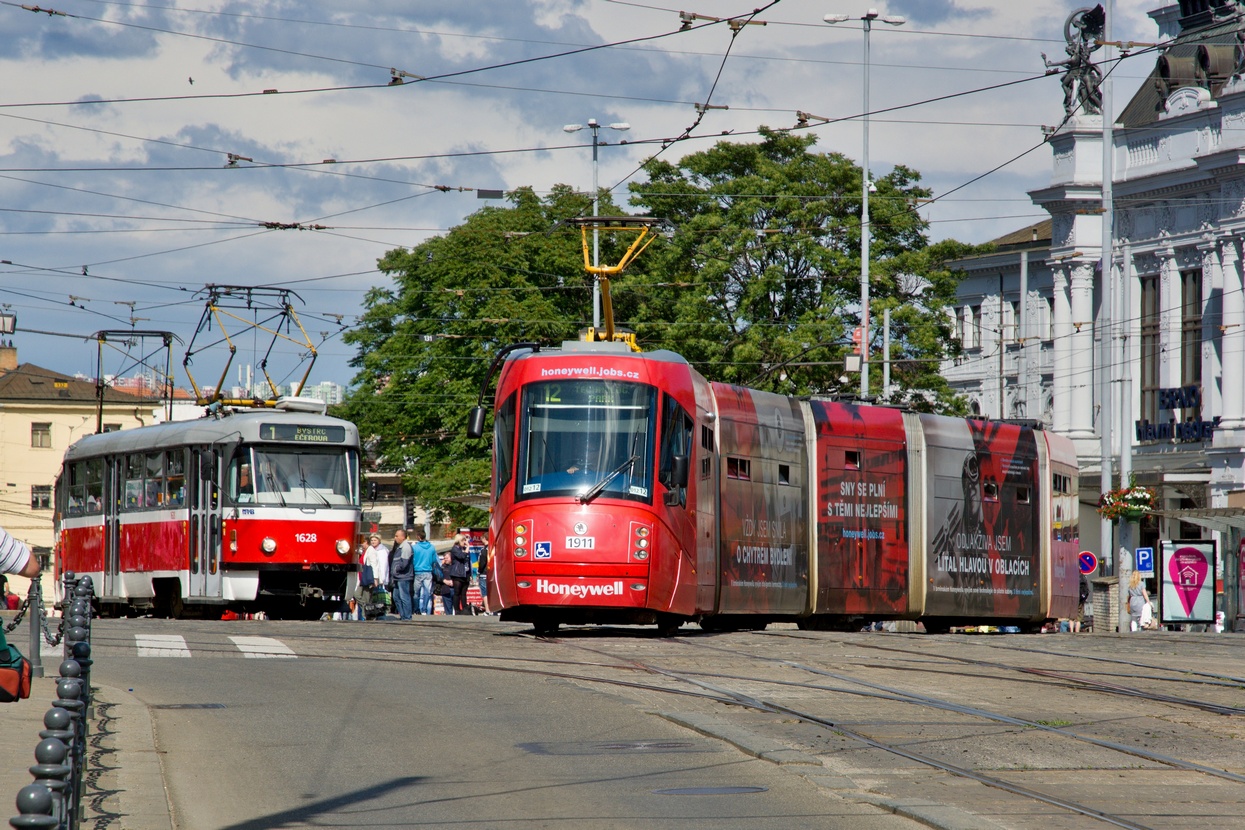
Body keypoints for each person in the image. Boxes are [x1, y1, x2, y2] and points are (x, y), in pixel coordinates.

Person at [410, 530, 439, 616]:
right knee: (427, 592)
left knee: (416, 593)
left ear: (418, 537)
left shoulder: (415, 547)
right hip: (428, 572)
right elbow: (434, 560)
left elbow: (412, 560)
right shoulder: (431, 547)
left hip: (417, 571)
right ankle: (424, 609)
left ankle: (416, 609)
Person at [360, 533, 390, 618]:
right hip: (372, 577)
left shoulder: (382, 551)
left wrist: (381, 580)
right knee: (373, 598)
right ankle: (373, 614)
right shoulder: (371, 550)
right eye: (372, 540)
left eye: (375, 540)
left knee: (378, 599)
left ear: (379, 541)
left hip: (378, 578)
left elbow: (383, 566)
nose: (373, 542)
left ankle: (380, 615)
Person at [389, 529, 415, 620]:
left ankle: (407, 617)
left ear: (403, 537)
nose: (395, 538)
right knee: (396, 597)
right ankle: (403, 615)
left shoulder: (406, 547)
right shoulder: (400, 546)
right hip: (397, 576)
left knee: (404, 596)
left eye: (397, 536)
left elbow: (404, 563)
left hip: (404, 576)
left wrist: (397, 569)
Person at [447, 533, 472, 615]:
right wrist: (467, 548)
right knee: (457, 592)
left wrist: (470, 573)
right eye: (463, 540)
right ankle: (457, 609)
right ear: (458, 541)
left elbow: (468, 560)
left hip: (465, 573)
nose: (464, 542)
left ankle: (465, 608)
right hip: (457, 573)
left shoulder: (464, 549)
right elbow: (461, 557)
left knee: (464, 592)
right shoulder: (455, 549)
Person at [477, 545, 491, 615]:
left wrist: (479, 571)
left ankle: (488, 610)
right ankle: (494, 610)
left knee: (485, 593)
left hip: (484, 573)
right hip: (493, 573)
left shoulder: (484, 550)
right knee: (492, 592)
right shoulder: (495, 548)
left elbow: (482, 562)